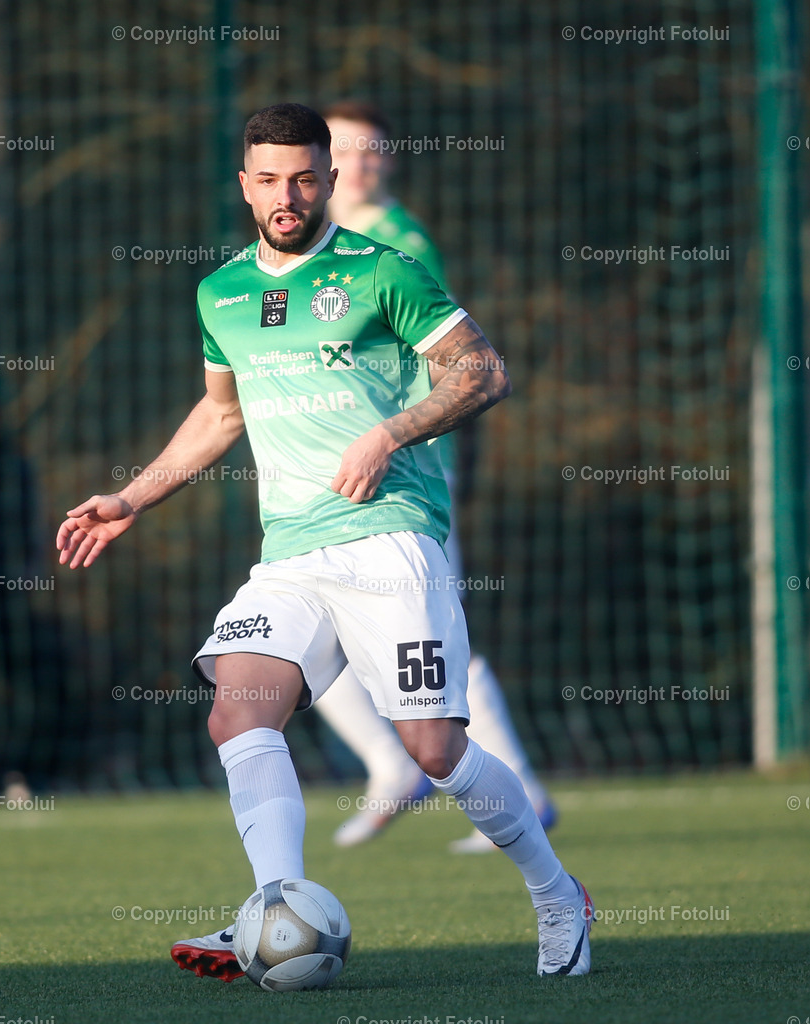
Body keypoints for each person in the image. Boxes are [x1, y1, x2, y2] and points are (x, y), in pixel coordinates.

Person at [56, 103, 592, 979]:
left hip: (389, 540)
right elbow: (221, 413)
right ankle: (274, 909)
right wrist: (131, 496)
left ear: (330, 180)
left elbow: (482, 370)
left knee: (433, 750)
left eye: (304, 177)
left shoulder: (385, 272)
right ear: (244, 184)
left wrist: (392, 432)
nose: (286, 195)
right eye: (268, 179)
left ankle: (554, 893)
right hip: (292, 554)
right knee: (237, 709)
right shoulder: (220, 292)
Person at [318, 99, 554, 850]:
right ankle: (394, 767)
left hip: (405, 471)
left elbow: (439, 364)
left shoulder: (389, 241)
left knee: (438, 639)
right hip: (345, 476)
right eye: (346, 151)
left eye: (371, 152)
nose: (360, 163)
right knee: (311, 638)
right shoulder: (326, 244)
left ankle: (515, 792)